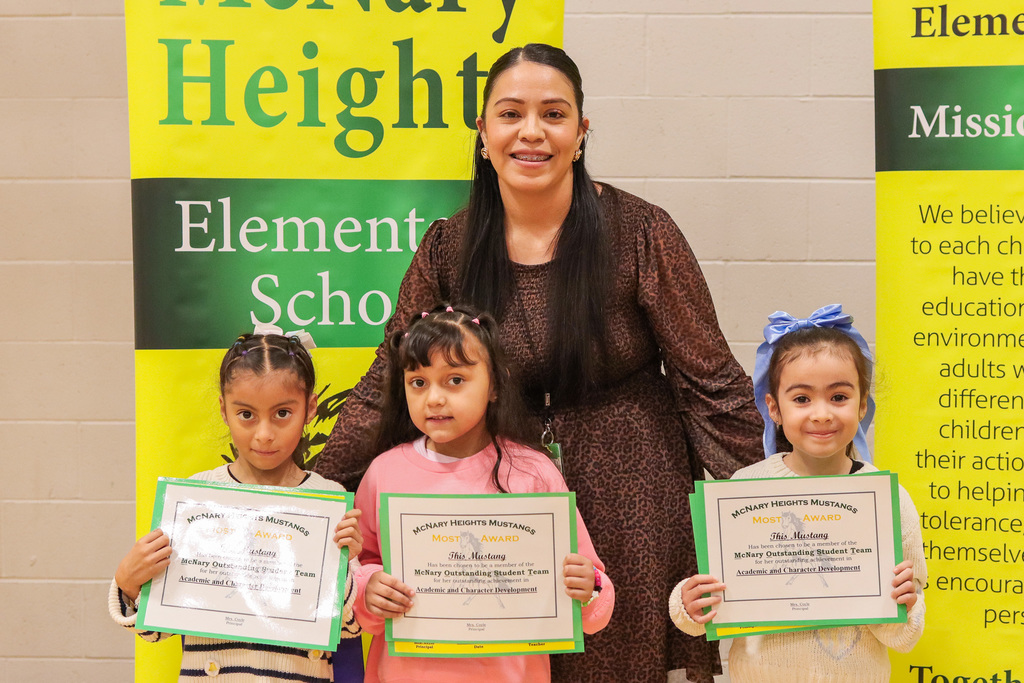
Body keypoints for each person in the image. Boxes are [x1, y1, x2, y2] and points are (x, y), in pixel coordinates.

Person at [315, 43, 763, 682]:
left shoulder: (640, 232)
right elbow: (384, 384)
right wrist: (308, 497)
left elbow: (709, 381)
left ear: (582, 132)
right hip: (492, 497)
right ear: (483, 132)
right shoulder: (449, 245)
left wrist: (783, 495)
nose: (532, 132)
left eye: (553, 114)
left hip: (631, 485)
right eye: (510, 113)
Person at [353, 304, 614, 682]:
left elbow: (595, 598)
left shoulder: (533, 474)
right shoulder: (384, 473)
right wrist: (368, 591)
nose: (434, 398)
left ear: (494, 385)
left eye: (455, 380)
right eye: (418, 382)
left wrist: (587, 588)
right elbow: (358, 569)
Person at [669, 306, 927, 681]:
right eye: (802, 399)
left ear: (863, 403)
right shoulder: (743, 490)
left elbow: (905, 637)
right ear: (774, 408)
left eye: (839, 397)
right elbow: (702, 608)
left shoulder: (889, 501)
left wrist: (904, 603)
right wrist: (688, 604)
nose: (821, 414)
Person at [108, 331, 363, 682]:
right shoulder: (197, 497)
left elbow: (348, 629)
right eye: (246, 414)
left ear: (310, 409)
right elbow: (156, 631)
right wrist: (129, 582)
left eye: (282, 413)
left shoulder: (327, 500)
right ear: (224, 411)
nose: (263, 433)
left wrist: (344, 568)